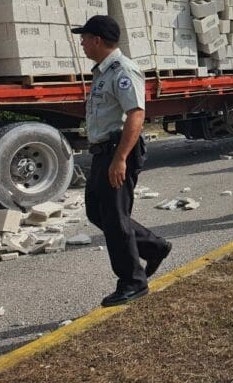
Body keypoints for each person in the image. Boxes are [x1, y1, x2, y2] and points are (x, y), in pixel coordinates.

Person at [72, 15, 171, 307]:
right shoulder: (103, 71)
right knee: (96, 212)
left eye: (84, 38)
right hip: (103, 151)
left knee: (115, 219)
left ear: (97, 40)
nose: (82, 43)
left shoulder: (123, 70)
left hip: (117, 151)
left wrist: (121, 159)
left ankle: (133, 282)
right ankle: (153, 247)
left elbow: (136, 115)